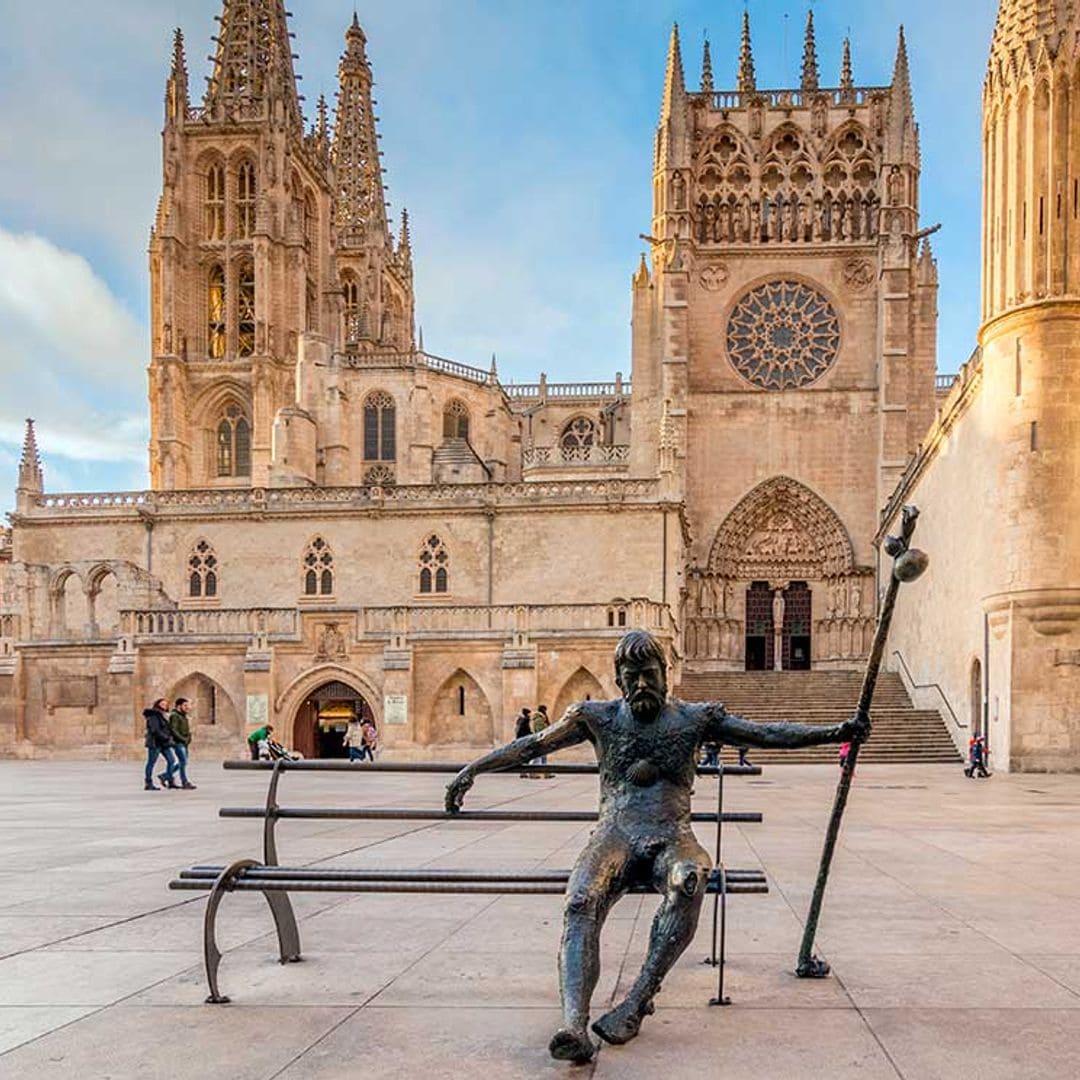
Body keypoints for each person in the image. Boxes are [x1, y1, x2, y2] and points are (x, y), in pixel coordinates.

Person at [446, 630, 868, 1064]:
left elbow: (767, 734)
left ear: (666, 674)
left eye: (650, 674)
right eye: (633, 677)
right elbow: (532, 745)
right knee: (579, 901)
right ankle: (573, 1024)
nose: (642, 684)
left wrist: (837, 732)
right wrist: (473, 769)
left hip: (672, 836)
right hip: (615, 834)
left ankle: (637, 1000)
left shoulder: (695, 719)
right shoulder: (596, 717)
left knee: (689, 879)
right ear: (618, 679)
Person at [144, 698, 179, 791]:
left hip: (164, 743)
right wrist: (166, 737)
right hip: (155, 743)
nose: (164, 705)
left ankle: (169, 779)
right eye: (162, 704)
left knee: (171, 760)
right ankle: (148, 782)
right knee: (151, 762)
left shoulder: (163, 715)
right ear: (157, 704)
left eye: (166, 704)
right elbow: (155, 729)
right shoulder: (153, 715)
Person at [168, 697, 197, 789]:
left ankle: (165, 776)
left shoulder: (183, 716)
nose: (187, 707)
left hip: (184, 742)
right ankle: (184, 782)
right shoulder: (174, 715)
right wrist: (183, 739)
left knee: (183, 762)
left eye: (187, 705)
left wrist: (188, 738)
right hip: (178, 742)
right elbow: (174, 730)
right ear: (178, 706)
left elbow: (186, 730)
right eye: (185, 705)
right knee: (183, 762)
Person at [531, 704, 554, 778]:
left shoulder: (541, 719)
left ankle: (546, 773)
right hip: (540, 741)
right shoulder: (539, 719)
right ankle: (532, 773)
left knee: (543, 757)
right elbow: (541, 731)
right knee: (537, 758)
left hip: (542, 741)